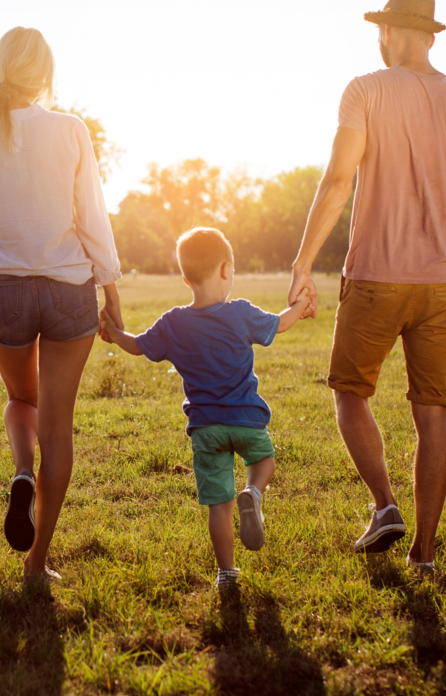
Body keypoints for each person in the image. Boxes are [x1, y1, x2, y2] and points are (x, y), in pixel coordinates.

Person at [286, 0, 446, 576]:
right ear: (430, 37)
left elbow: (337, 182)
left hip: (375, 277)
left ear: (386, 34)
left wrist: (302, 262)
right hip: (443, 284)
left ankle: (385, 504)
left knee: (350, 393)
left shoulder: (364, 90)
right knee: (432, 416)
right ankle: (425, 554)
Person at [0, 27, 123, 582]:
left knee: (23, 400)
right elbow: (92, 215)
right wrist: (111, 289)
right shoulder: (71, 130)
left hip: (5, 293)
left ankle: (22, 473)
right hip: (70, 291)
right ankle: (37, 563)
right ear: (44, 73)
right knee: (59, 427)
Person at [104, 228, 302, 592]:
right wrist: (301, 307)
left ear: (185, 278)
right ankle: (255, 492)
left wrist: (114, 333)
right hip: (247, 420)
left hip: (206, 428)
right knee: (263, 462)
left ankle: (226, 573)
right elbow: (282, 323)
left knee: (219, 505)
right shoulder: (241, 313)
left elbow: (137, 346)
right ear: (226, 269)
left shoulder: (173, 323)